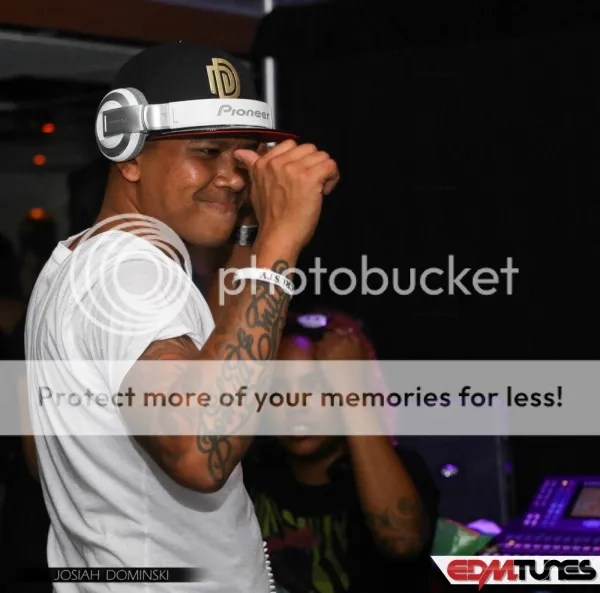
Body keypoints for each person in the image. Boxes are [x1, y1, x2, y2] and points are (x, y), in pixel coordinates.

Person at [24, 41, 339, 592]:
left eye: (244, 156)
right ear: (128, 151)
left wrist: (254, 231)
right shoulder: (129, 275)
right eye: (208, 151)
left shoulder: (87, 261)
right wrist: (280, 244)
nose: (233, 178)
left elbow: (207, 362)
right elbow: (199, 450)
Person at [243, 309, 440, 593]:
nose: (295, 404)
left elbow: (402, 541)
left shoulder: (403, 471)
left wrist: (352, 390)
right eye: (278, 391)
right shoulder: (251, 476)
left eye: (316, 387)